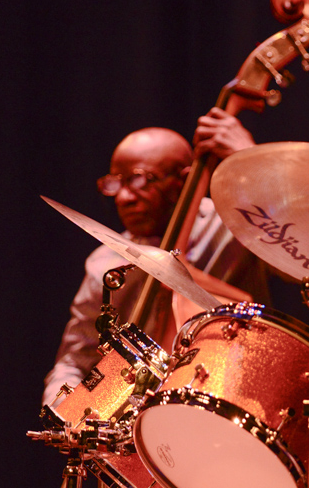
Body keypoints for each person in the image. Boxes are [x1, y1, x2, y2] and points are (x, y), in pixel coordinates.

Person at [43, 112, 264, 405]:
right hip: (137, 430)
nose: (123, 198)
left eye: (139, 180)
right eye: (114, 183)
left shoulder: (235, 226)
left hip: (235, 406)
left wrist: (251, 159)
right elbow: (75, 361)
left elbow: (303, 248)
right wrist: (64, 409)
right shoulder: (105, 263)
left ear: (182, 182)